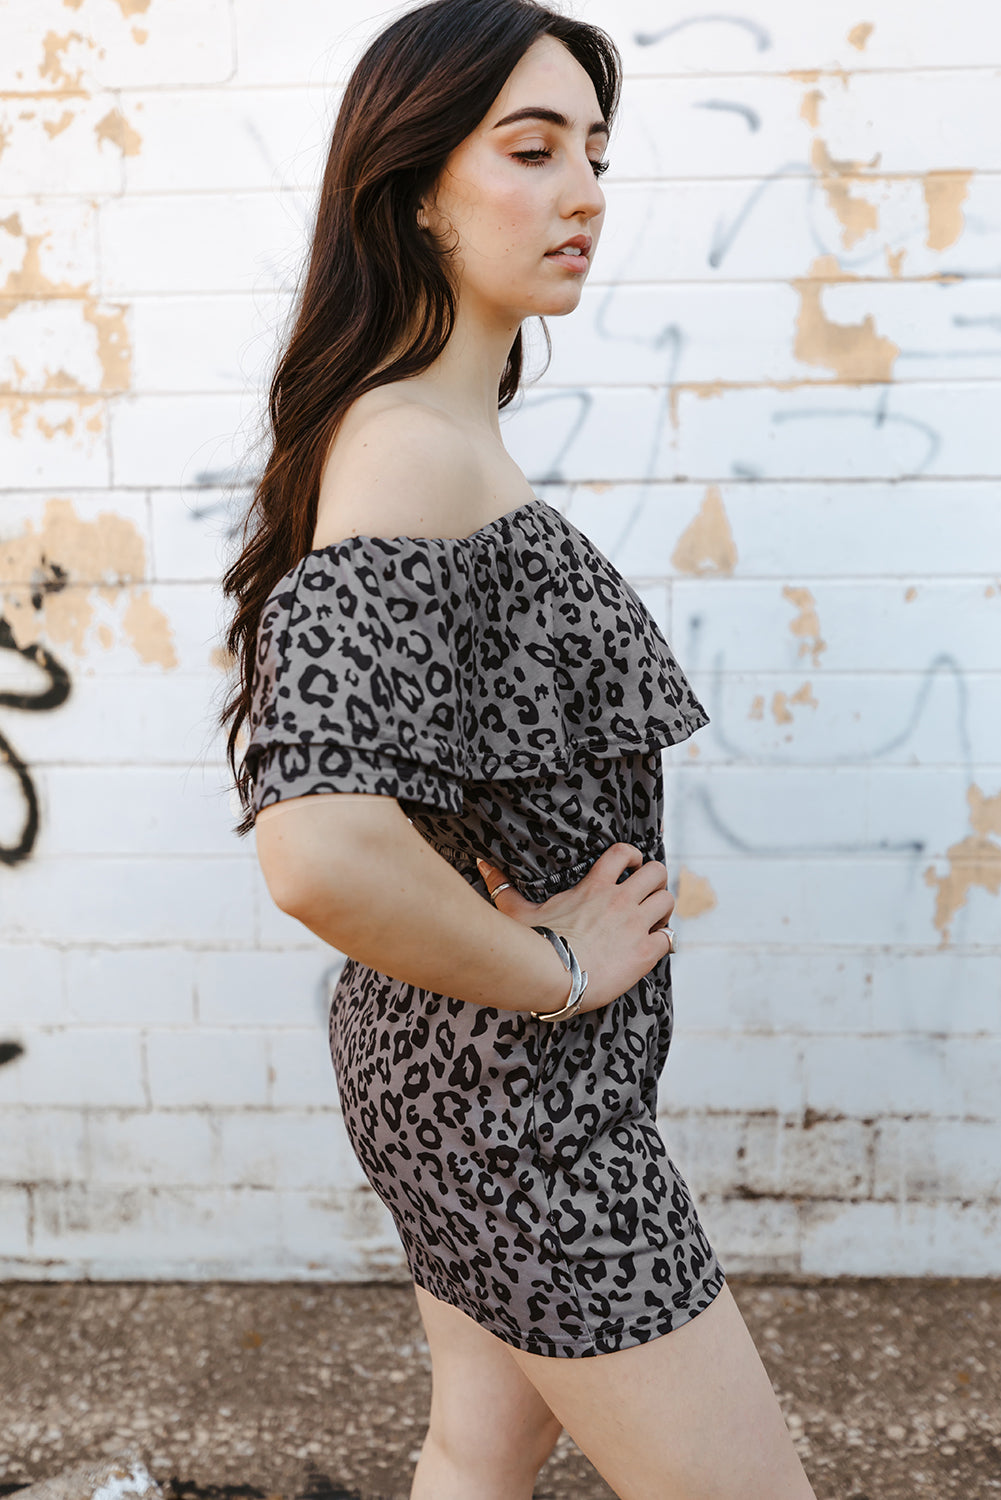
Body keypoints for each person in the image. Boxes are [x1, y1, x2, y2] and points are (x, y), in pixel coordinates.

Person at [220, 2, 818, 1496]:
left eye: (595, 156)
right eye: (530, 150)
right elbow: (317, 843)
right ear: (413, 184)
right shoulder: (411, 447)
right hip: (519, 1123)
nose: (582, 197)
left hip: (478, 1096)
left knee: (471, 1456)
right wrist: (559, 970)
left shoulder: (440, 423)